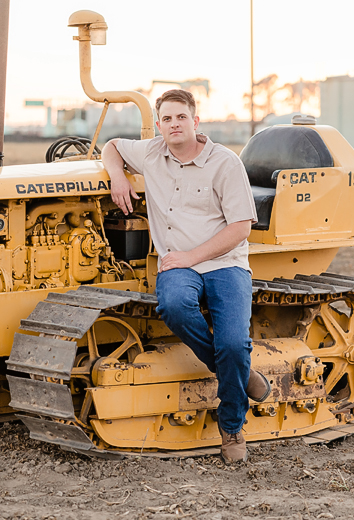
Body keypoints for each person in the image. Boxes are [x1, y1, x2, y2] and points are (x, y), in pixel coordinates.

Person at [101, 89, 271, 463]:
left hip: (224, 262)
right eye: (167, 119)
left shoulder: (225, 163)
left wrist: (190, 256)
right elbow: (112, 145)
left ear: (195, 121)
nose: (174, 124)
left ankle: (231, 429)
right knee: (175, 306)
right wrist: (117, 175)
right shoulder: (150, 154)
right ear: (159, 124)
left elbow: (241, 227)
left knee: (232, 344)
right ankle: (240, 377)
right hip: (181, 268)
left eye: (181, 117)